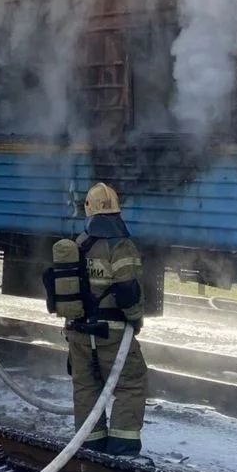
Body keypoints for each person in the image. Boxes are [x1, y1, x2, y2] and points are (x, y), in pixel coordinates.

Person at [46, 182, 148, 456]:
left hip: (78, 332)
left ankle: (91, 449)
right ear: (116, 210)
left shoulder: (78, 244)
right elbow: (128, 291)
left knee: (86, 388)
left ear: (89, 210)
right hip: (113, 332)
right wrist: (136, 320)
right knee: (130, 384)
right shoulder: (122, 247)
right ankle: (122, 450)